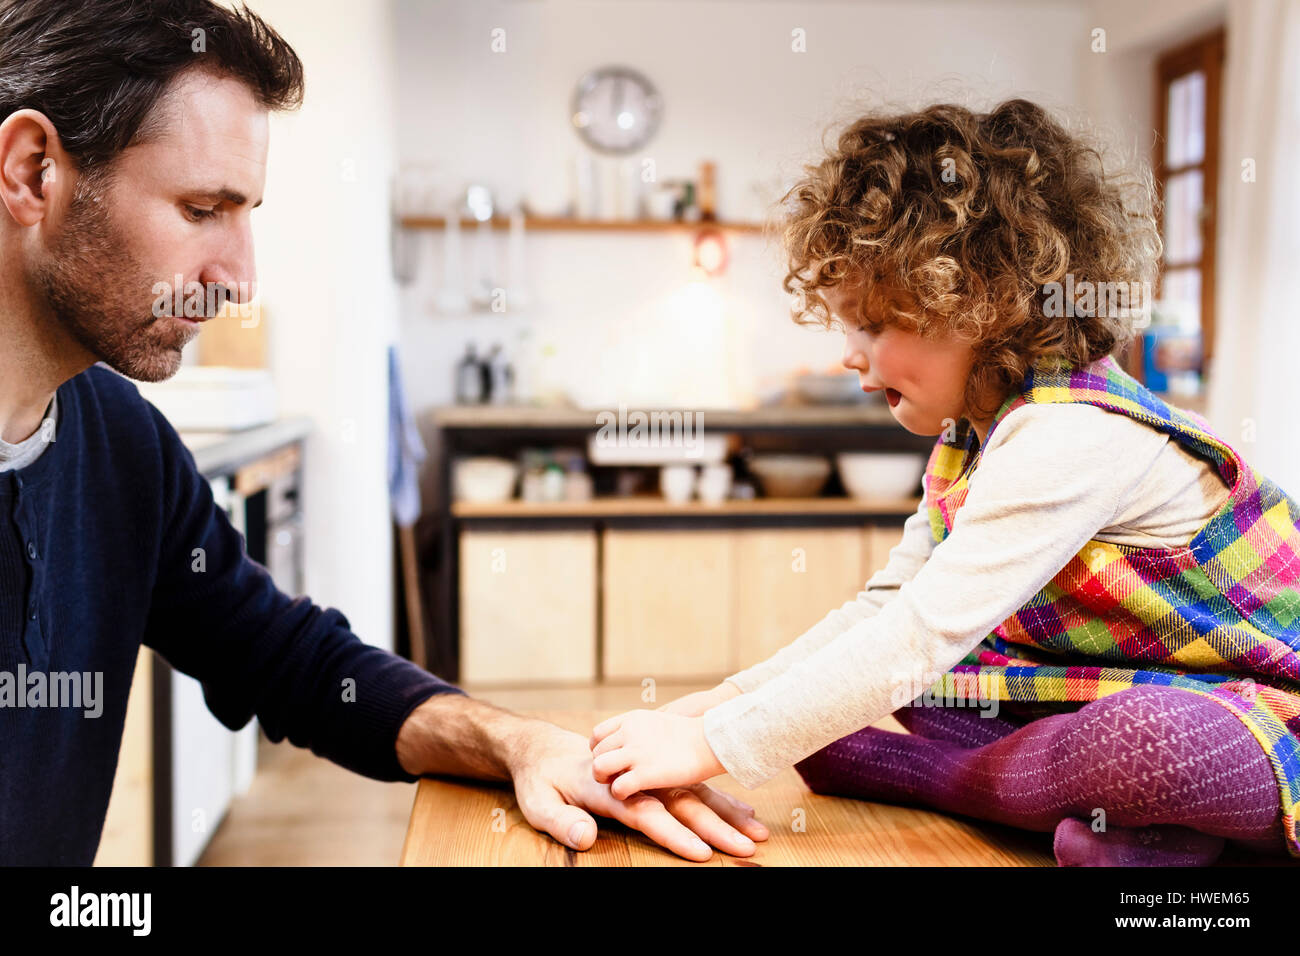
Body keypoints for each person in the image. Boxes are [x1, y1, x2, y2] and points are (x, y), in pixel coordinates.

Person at [0, 0, 768, 866]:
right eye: (200, 208)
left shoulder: (120, 444)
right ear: (34, 173)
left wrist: (518, 745)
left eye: (245, 212)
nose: (238, 276)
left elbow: (290, 658)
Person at [589, 98, 1300, 866]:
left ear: (982, 302)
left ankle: (941, 779)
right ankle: (1151, 842)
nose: (850, 358)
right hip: (1108, 684)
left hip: (1258, 712)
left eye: (873, 326)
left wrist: (713, 745)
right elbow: (888, 610)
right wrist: (717, 709)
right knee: (893, 684)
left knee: (1141, 748)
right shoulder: (974, 429)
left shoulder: (1073, 429)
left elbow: (919, 636)